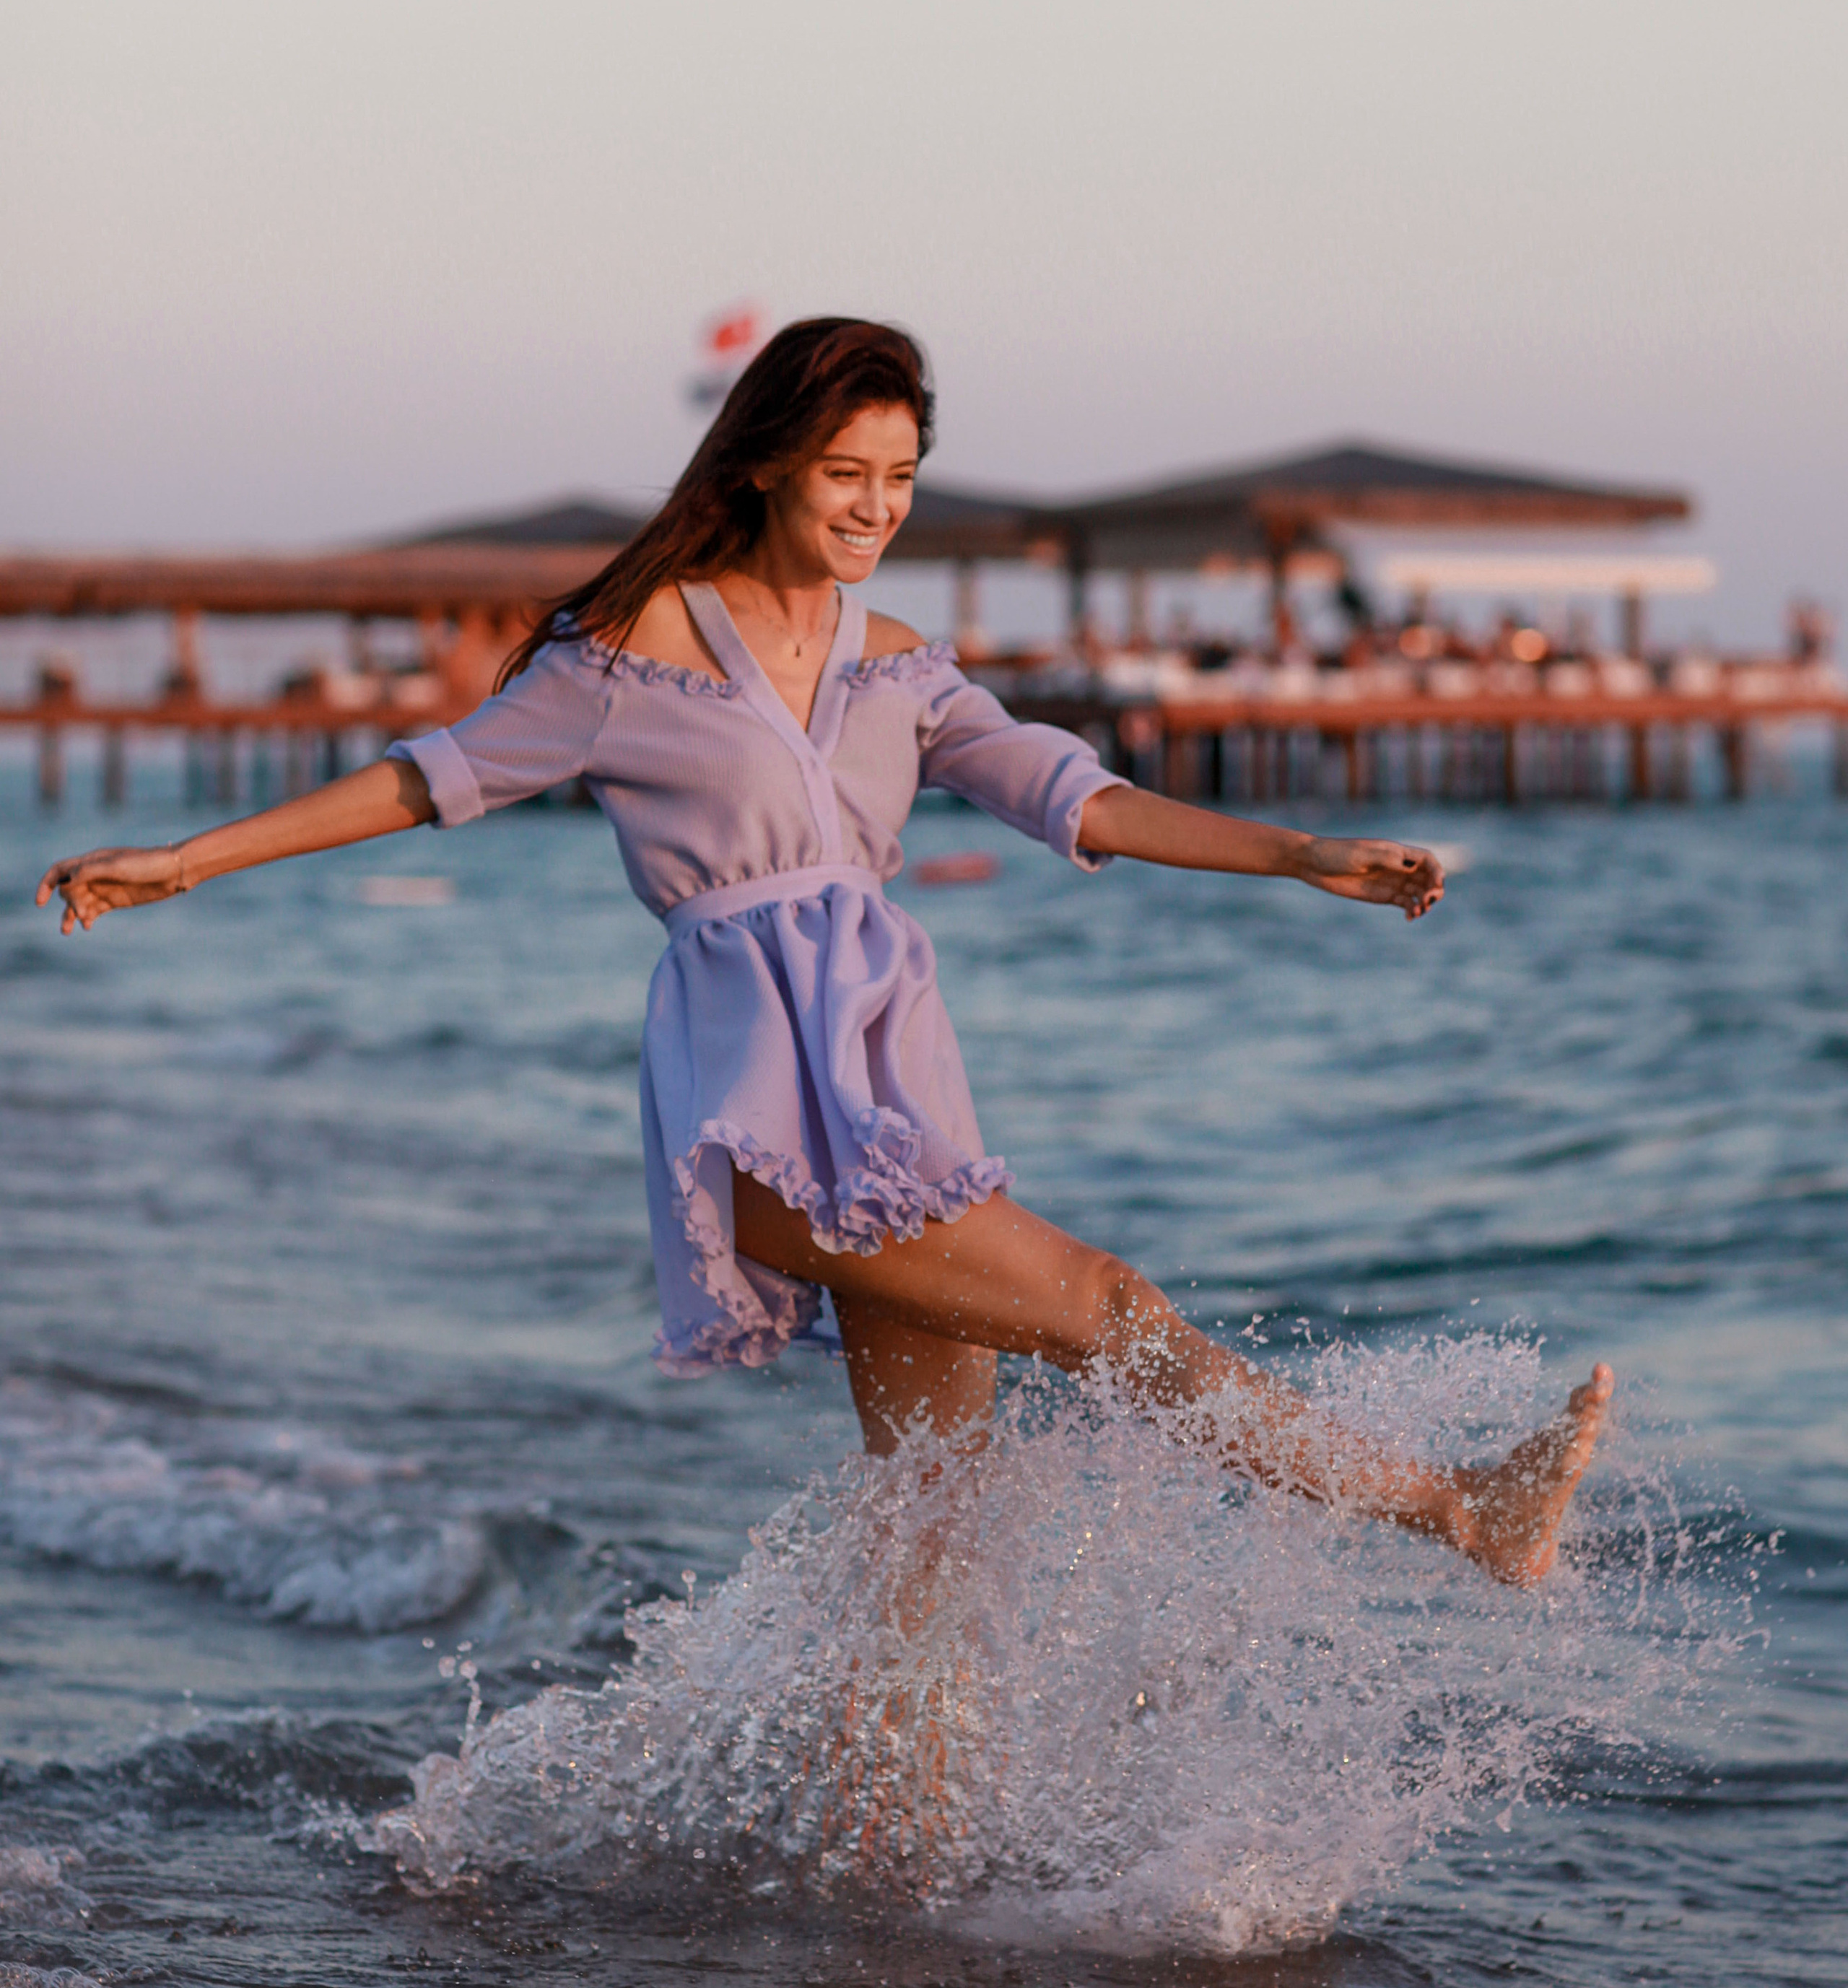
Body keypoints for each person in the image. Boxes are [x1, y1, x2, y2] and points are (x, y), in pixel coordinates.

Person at [37, 317, 1611, 1584]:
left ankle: (889, 1874)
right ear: (772, 465)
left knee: (939, 1527)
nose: (874, 505)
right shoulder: (627, 656)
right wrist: (186, 857)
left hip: (900, 1103)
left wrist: (1295, 852)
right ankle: (1449, 1513)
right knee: (1105, 1307)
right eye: (846, 471)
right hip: (761, 1114)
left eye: (900, 476)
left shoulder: (903, 673)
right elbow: (423, 779)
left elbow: (1079, 798)